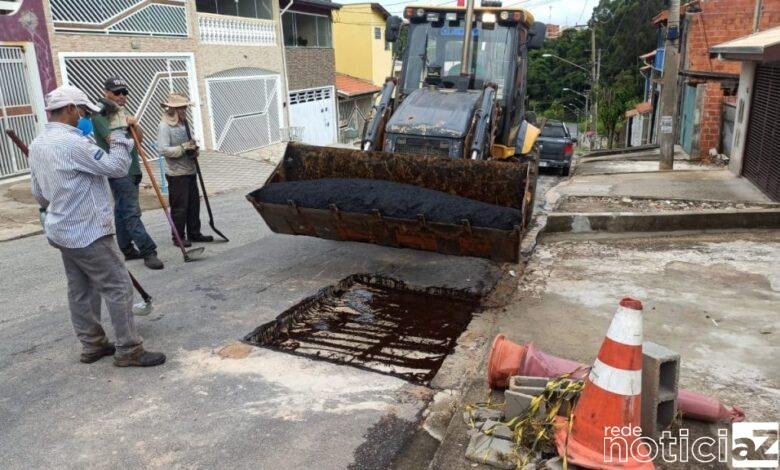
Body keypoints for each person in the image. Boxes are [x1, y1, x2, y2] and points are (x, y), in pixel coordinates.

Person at [28, 85, 166, 367]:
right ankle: (129, 349)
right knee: (118, 286)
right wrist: (118, 133)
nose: (85, 116)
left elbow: (39, 193)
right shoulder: (73, 144)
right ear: (69, 109)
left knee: (81, 289)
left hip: (62, 229)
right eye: (83, 111)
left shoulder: (38, 143)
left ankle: (92, 345)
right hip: (88, 230)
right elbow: (116, 167)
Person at [92, 77, 164, 270]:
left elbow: (138, 138)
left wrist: (134, 123)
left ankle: (126, 248)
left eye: (124, 92)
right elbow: (111, 141)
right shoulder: (100, 113)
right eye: (117, 92)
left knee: (122, 210)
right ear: (105, 92)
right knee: (131, 212)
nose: (122, 96)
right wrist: (124, 123)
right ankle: (149, 251)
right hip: (118, 170)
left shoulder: (123, 113)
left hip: (132, 169)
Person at [157, 92, 213, 247]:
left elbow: (189, 144)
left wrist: (194, 149)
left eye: (184, 108)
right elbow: (163, 149)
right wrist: (183, 147)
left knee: (194, 205)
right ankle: (178, 237)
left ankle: (194, 233)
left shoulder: (184, 124)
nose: (184, 111)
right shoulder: (164, 126)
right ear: (173, 110)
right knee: (180, 208)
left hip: (190, 170)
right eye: (181, 108)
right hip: (176, 174)